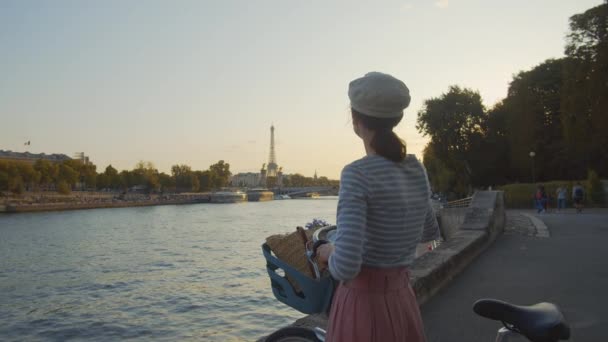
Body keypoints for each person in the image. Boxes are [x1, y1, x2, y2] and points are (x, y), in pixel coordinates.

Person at [316, 72, 439, 342]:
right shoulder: (416, 168)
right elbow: (429, 231)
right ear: (396, 118)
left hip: (363, 307)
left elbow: (346, 266)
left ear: (356, 120)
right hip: (401, 301)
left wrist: (328, 251)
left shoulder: (357, 174)